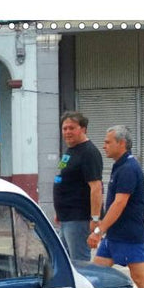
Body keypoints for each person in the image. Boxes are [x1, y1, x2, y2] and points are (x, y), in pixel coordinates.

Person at [88, 125, 144, 288]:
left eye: (108, 142)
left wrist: (99, 230)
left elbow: (119, 203)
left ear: (122, 143)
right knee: (96, 274)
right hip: (114, 236)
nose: (104, 146)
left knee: (140, 277)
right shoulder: (119, 165)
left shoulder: (129, 168)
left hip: (129, 235)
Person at [52, 111, 103, 262]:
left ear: (83, 129)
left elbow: (96, 187)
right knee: (64, 262)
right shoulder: (71, 150)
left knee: (79, 263)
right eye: (64, 128)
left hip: (79, 218)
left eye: (72, 128)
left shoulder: (89, 152)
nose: (67, 132)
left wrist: (95, 218)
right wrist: (58, 211)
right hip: (66, 217)